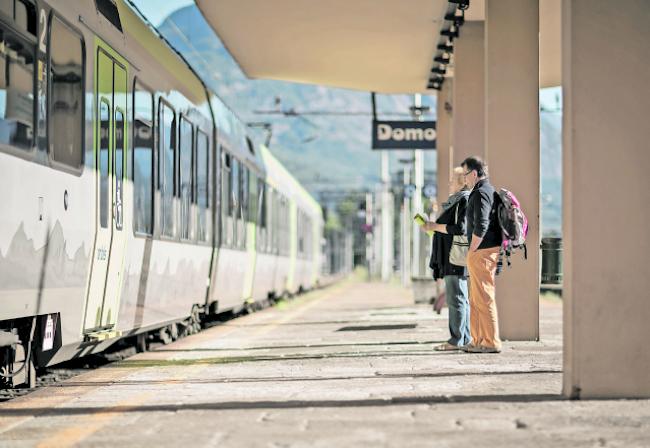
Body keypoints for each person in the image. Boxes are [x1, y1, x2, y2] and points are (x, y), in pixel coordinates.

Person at [422, 167, 471, 351]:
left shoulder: (462, 201)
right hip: (453, 257)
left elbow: (460, 229)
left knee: (457, 298)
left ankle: (456, 340)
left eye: (453, 179)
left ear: (463, 181)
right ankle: (464, 338)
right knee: (461, 298)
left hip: (455, 257)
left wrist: (433, 226)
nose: (449, 182)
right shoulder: (456, 201)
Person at [461, 156, 503, 354]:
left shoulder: (481, 192)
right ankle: (477, 340)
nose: (464, 179)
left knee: (484, 298)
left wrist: (472, 249)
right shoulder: (482, 191)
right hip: (482, 251)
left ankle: (491, 341)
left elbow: (482, 224)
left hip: (483, 251)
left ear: (474, 173)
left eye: (465, 174)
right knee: (476, 298)